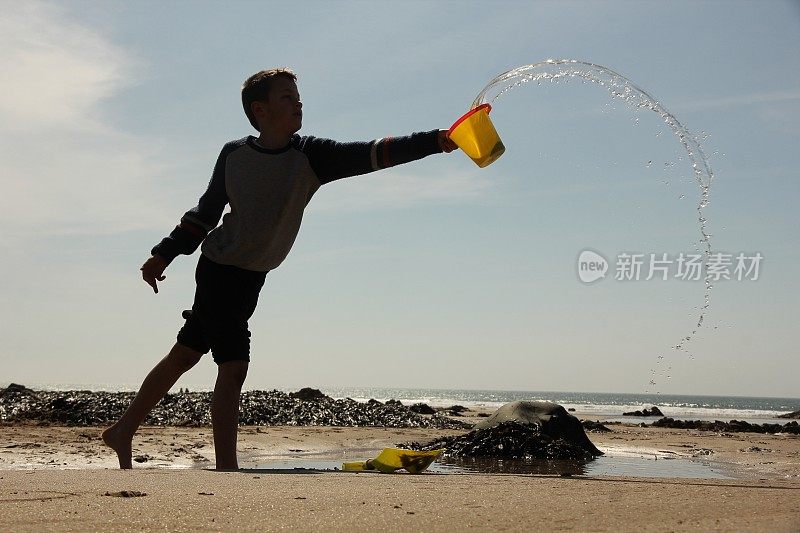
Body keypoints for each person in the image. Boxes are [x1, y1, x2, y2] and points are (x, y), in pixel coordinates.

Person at [102, 68, 458, 470]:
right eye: (287, 97)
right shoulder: (234, 155)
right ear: (261, 110)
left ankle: (123, 430)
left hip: (253, 275)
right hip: (220, 267)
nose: (298, 103)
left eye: (298, 96)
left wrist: (436, 141)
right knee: (233, 365)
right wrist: (163, 254)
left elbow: (372, 153)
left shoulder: (311, 155)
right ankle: (226, 466)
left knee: (185, 354)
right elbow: (204, 214)